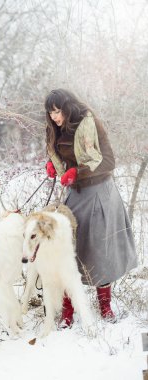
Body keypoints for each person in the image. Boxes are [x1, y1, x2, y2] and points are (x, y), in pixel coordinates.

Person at [44, 88, 137, 326]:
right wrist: (54, 165)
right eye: (50, 112)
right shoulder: (54, 128)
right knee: (68, 249)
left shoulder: (89, 122)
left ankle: (105, 308)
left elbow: (109, 161)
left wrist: (79, 171)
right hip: (75, 193)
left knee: (99, 249)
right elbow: (61, 154)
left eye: (58, 111)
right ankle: (68, 311)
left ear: (68, 106)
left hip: (99, 192)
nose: (54, 116)